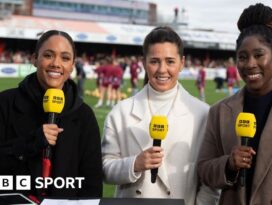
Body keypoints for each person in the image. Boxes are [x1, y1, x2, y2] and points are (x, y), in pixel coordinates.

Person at [197, 3, 272, 205]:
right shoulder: (220, 112)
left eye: (259, 55)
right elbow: (204, 169)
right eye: (242, 57)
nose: (250, 64)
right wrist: (228, 164)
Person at [102, 26, 219, 205]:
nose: (162, 69)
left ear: (182, 63)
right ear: (143, 62)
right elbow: (104, 168)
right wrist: (134, 164)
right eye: (155, 61)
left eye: (170, 61)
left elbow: (210, 181)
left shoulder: (202, 113)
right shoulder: (120, 112)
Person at [0, 30, 103, 199]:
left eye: (65, 58)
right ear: (34, 59)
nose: (56, 63)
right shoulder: (5, 103)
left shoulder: (84, 115)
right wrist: (30, 143)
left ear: (72, 65)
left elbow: (91, 184)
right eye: (48, 55)